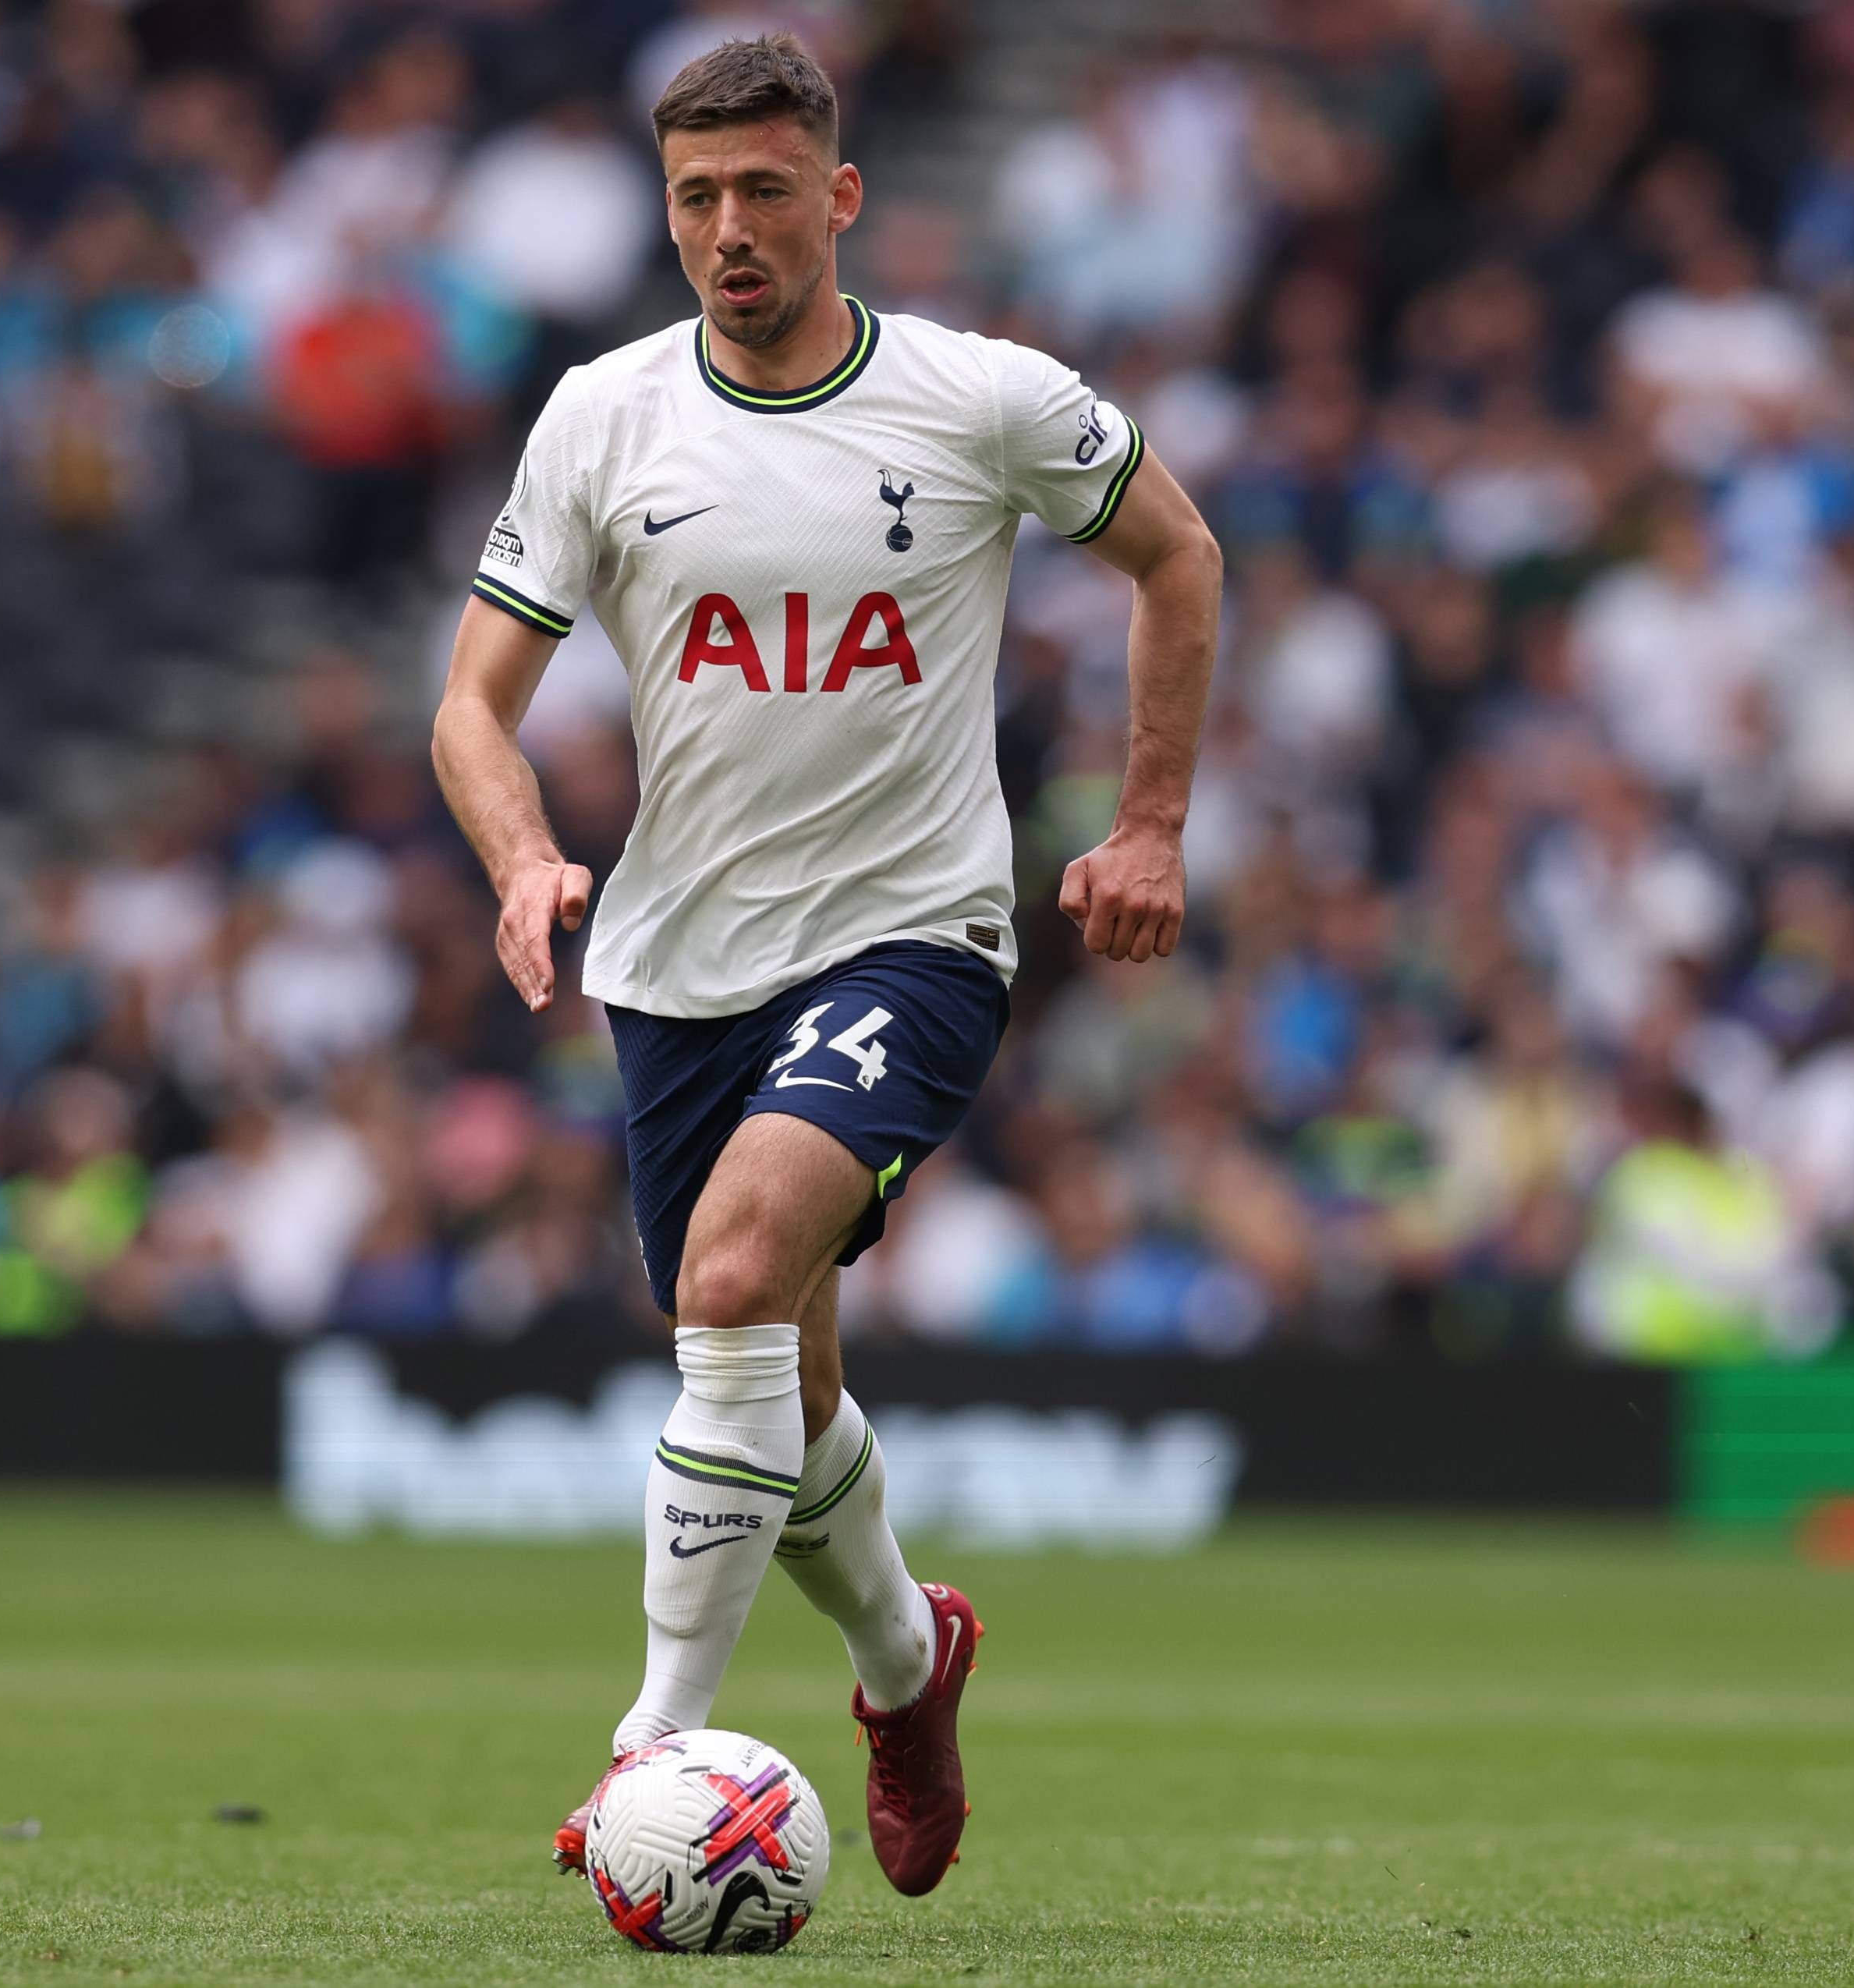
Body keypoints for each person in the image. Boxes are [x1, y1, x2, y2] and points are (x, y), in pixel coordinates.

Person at [431, 34, 1220, 1901]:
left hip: (915, 935)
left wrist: (1155, 820)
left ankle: (652, 1757)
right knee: (771, 1381)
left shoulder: (984, 398)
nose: (731, 230)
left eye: (767, 191)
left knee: (728, 1274)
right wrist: (526, 852)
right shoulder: (602, 418)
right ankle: (906, 1662)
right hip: (680, 961)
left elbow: (1177, 557)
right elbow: (473, 700)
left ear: (839, 198)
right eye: (698, 197)